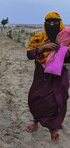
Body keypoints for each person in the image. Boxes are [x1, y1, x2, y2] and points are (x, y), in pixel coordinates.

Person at [26, 12, 70, 141]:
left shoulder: (67, 38)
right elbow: (29, 54)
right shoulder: (37, 38)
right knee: (34, 98)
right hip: (40, 74)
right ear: (45, 24)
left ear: (60, 23)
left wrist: (62, 51)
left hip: (58, 75)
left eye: (55, 23)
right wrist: (43, 48)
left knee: (57, 101)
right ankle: (36, 122)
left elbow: (68, 58)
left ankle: (53, 129)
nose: (52, 25)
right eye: (49, 23)